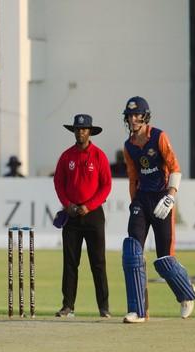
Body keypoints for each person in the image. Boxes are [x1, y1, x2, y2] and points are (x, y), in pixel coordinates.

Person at [120, 96, 195, 323]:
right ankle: (137, 311)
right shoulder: (128, 146)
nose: (133, 119)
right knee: (132, 251)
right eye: (130, 115)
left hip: (162, 197)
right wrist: (134, 202)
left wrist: (171, 196)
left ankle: (186, 294)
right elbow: (133, 177)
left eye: (137, 115)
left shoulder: (159, 136)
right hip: (142, 200)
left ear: (145, 116)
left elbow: (175, 167)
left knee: (164, 259)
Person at [53, 114, 112, 318]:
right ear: (74, 131)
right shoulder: (66, 156)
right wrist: (67, 204)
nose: (80, 132)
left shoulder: (99, 156)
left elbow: (106, 186)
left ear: (90, 131)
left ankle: (104, 307)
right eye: (78, 129)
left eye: (84, 129)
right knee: (70, 262)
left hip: (93, 215)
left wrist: (90, 205)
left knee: (98, 262)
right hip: (72, 215)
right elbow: (59, 183)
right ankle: (68, 306)